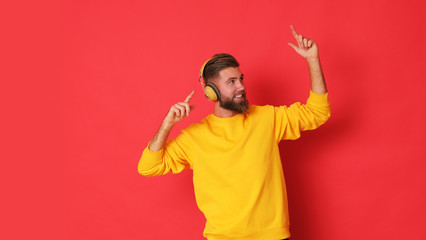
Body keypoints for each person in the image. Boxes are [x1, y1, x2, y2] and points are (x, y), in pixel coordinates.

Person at [138, 26, 330, 240]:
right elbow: (148, 167)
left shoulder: (267, 118)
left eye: (241, 79)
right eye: (231, 82)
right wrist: (167, 125)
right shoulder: (194, 137)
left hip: (272, 236)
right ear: (211, 92)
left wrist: (313, 59)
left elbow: (317, 112)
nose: (241, 86)